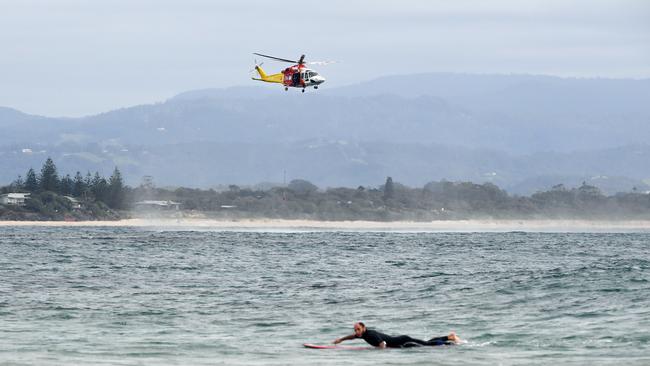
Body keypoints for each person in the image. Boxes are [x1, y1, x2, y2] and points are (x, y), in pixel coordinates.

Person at [333, 322, 460, 348]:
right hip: (401, 340)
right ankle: (448, 337)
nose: (356, 332)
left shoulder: (370, 335)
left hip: (403, 341)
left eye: (358, 329)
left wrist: (380, 352)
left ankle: (449, 342)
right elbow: (351, 336)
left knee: (426, 345)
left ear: (364, 328)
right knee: (425, 342)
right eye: (355, 330)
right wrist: (341, 340)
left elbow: (382, 343)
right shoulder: (363, 335)